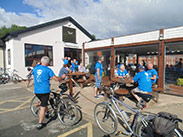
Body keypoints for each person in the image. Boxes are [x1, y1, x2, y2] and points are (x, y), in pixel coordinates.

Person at [32, 56, 60, 130]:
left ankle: (48, 113)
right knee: (43, 107)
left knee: (44, 102)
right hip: (44, 91)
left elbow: (35, 75)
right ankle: (40, 123)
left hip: (37, 91)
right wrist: (61, 77)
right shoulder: (48, 70)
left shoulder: (35, 69)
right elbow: (56, 79)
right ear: (47, 62)